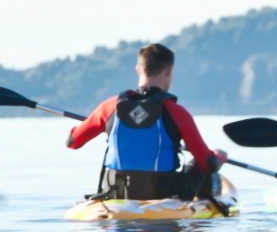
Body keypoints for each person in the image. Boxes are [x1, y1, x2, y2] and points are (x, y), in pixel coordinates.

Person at [67, 43, 225, 201]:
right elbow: (207, 163)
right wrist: (219, 157)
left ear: (138, 69)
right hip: (163, 196)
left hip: (117, 195)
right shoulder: (178, 113)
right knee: (202, 164)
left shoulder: (109, 107)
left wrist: (103, 125)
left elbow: (72, 141)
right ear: (169, 69)